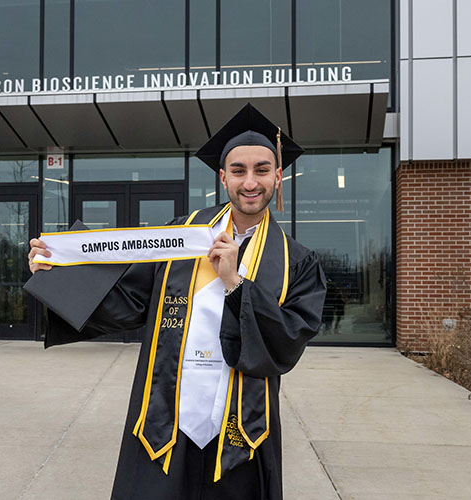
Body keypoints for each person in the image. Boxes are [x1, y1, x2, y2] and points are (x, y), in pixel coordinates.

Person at [27, 104, 327, 500]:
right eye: (238, 170)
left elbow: (288, 341)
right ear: (222, 177)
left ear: (278, 176)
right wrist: (59, 273)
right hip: (165, 421)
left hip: (242, 433)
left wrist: (235, 283)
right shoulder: (181, 236)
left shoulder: (296, 261)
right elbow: (130, 300)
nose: (250, 182)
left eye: (262, 169)